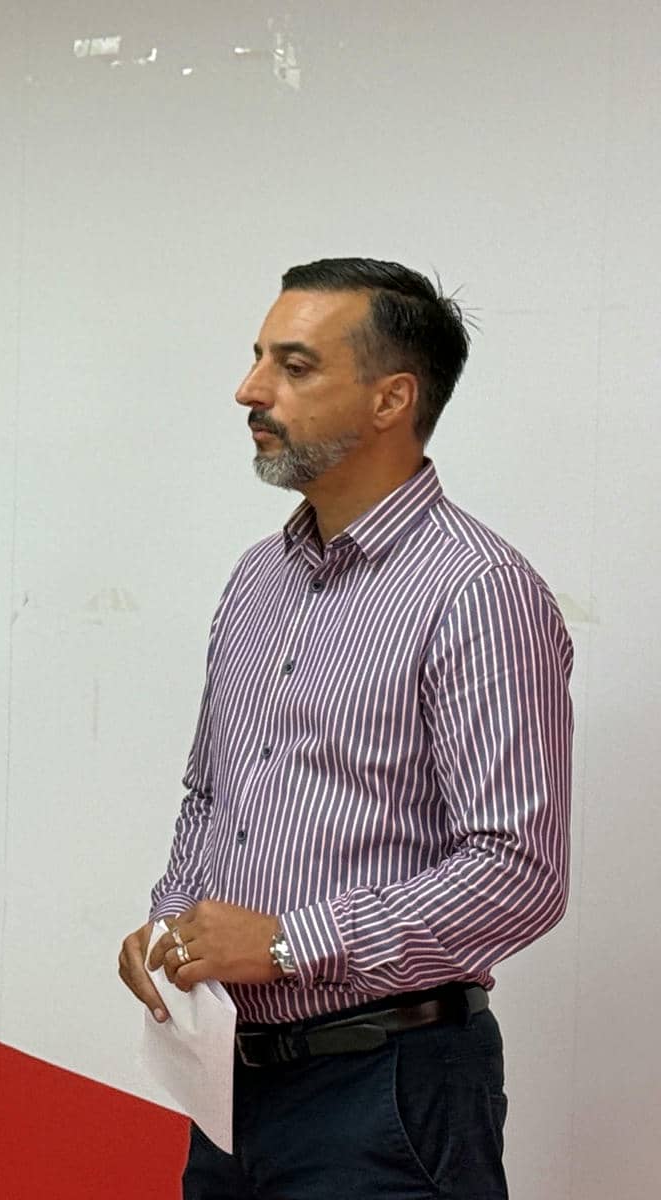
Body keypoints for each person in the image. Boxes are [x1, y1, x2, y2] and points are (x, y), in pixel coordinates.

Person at [117, 258, 573, 1199]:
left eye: (293, 366)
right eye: (258, 358)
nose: (250, 390)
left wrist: (289, 942)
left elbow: (518, 873)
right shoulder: (259, 576)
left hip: (388, 1093)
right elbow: (212, 791)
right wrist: (175, 917)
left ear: (390, 399)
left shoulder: (478, 593)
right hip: (229, 1078)